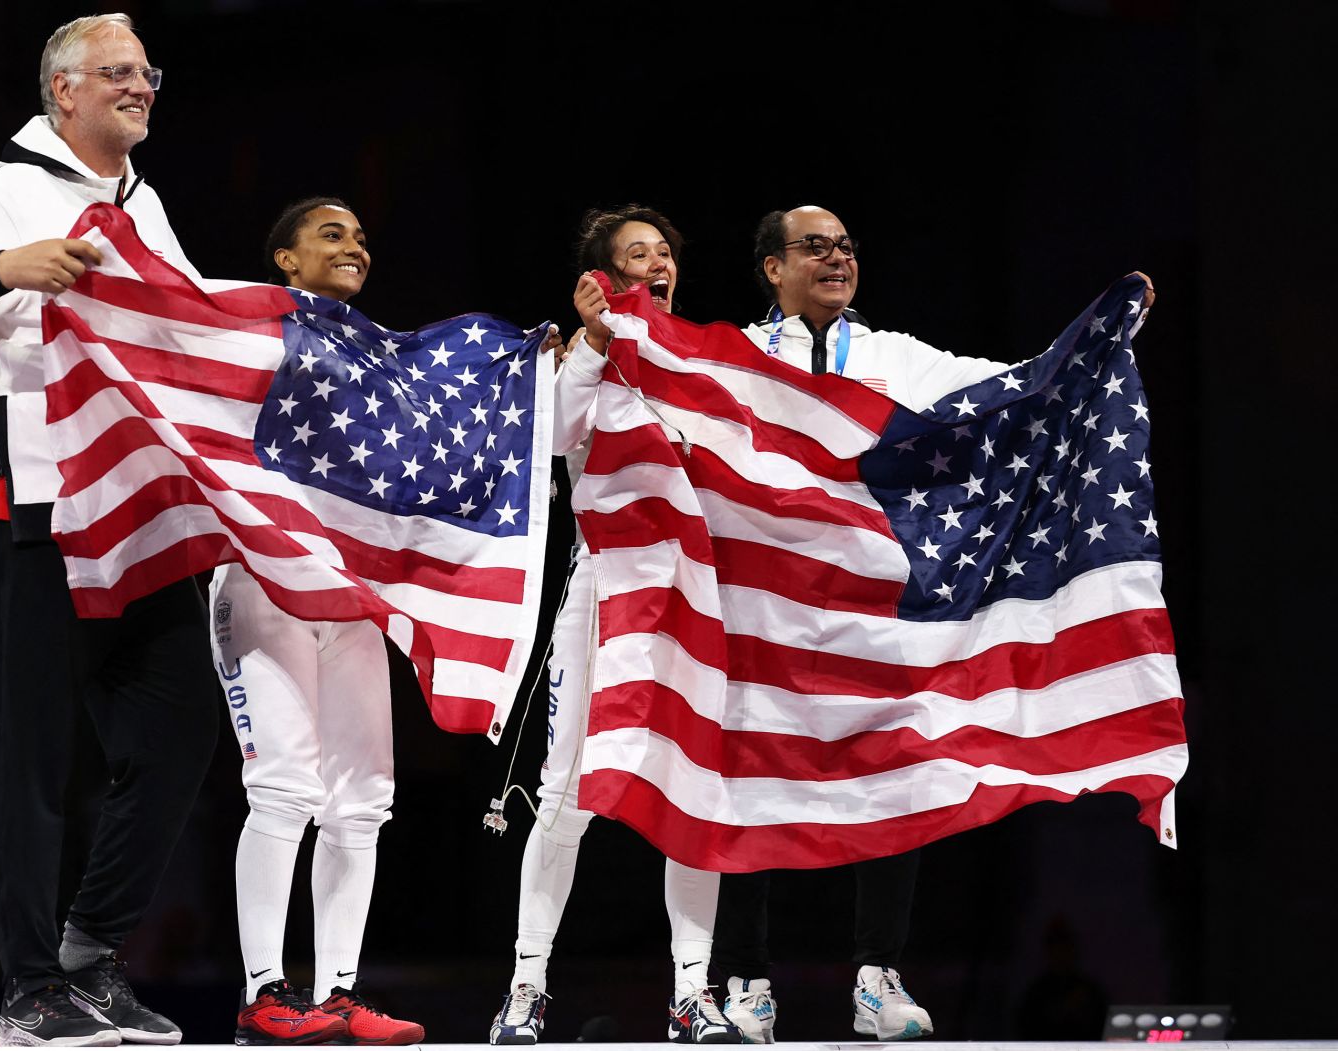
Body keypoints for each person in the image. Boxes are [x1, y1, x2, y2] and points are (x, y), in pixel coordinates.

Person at [715, 205, 1155, 1043]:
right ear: (772, 267)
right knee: (752, 780)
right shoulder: (731, 358)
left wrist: (1098, 341)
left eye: (847, 245)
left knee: (897, 771)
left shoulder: (896, 357)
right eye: (816, 246)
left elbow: (1015, 387)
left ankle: (877, 978)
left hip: (874, 613)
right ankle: (745, 978)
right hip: (763, 608)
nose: (838, 257)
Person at [0, 13, 215, 1047]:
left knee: (180, 728)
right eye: (116, 73)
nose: (139, 87)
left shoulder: (143, 205)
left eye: (146, 73)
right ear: (62, 91)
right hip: (20, 511)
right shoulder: (7, 192)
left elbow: (191, 327)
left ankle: (87, 956)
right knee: (24, 760)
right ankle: (29, 992)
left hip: (132, 516)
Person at [488, 206, 741, 1047]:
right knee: (563, 796)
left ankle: (693, 995)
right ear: (602, 279)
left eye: (664, 252)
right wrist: (593, 341)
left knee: (695, 794)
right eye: (636, 255)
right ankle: (525, 989)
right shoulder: (582, 365)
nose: (656, 264)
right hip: (607, 593)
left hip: (698, 598)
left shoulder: (709, 363)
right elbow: (553, 440)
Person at [217, 197, 424, 1047]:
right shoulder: (245, 328)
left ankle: (338, 991)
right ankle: (264, 990)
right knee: (285, 785)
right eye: (331, 235)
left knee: (363, 800)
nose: (355, 248)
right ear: (284, 259)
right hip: (264, 580)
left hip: (352, 589)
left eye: (363, 238)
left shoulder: (383, 356)